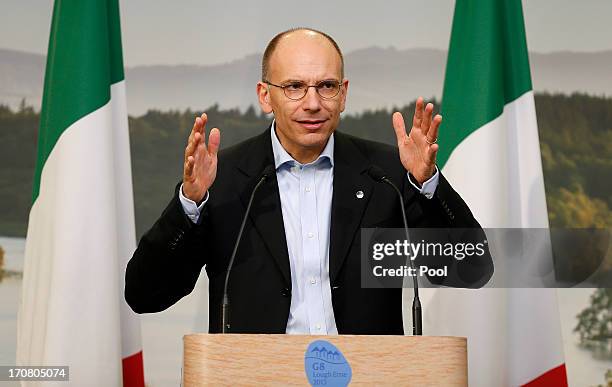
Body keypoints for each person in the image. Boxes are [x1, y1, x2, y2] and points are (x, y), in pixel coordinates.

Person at [125, 28, 493, 334]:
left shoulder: (389, 175)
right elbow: (144, 295)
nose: (313, 102)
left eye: (327, 86)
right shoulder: (223, 180)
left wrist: (426, 184)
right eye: (295, 87)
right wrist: (189, 204)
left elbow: (472, 270)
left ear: (344, 94)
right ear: (265, 96)